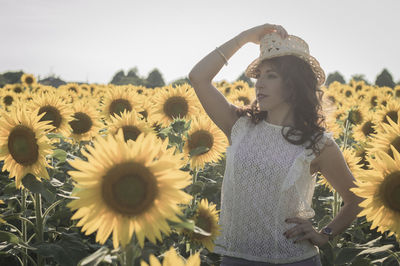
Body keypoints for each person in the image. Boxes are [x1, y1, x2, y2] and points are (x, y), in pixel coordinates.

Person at [188, 23, 364, 266]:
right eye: (259, 76)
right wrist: (245, 37)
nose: (259, 84)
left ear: (293, 84)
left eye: (271, 76)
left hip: (294, 259)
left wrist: (325, 234)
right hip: (236, 258)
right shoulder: (239, 126)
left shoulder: (318, 144)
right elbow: (198, 77)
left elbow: (357, 198)